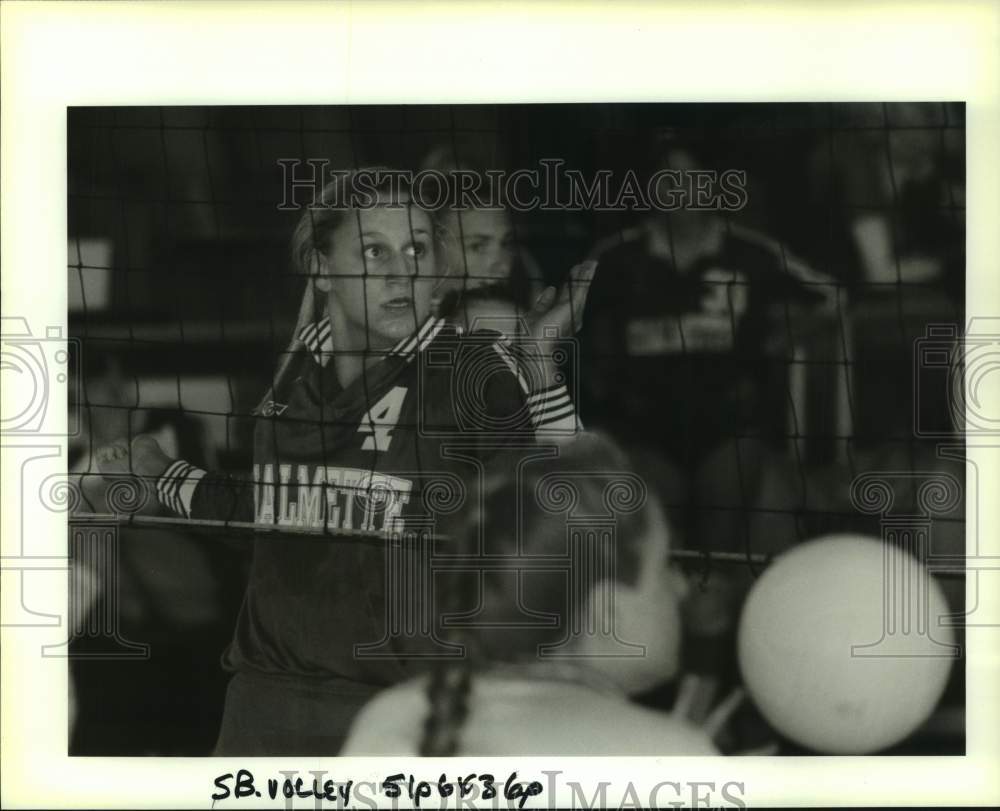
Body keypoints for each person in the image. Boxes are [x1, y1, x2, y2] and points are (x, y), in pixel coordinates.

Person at [95, 168, 589, 755]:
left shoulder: (470, 374)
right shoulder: (290, 379)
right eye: (374, 251)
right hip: (262, 702)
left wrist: (538, 372)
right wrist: (166, 476)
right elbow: (276, 512)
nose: (400, 271)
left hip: (401, 711)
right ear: (322, 268)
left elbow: (567, 516)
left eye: (416, 249)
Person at [341, 432, 719, 756]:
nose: (681, 585)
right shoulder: (671, 757)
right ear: (607, 613)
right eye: (665, 564)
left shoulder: (385, 721)